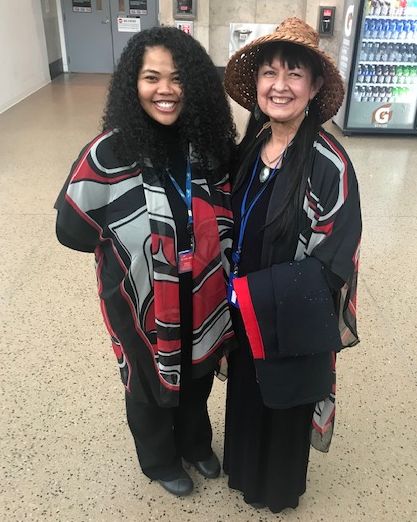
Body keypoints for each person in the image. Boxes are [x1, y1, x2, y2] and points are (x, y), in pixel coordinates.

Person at [54, 26, 236, 497]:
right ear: (132, 84)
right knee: (147, 383)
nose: (166, 91)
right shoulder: (108, 152)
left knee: (198, 374)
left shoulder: (211, 147)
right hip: (140, 302)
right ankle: (158, 460)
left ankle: (196, 443)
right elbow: (71, 230)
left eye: (178, 79)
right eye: (151, 77)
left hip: (204, 290)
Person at [222, 18, 362, 513]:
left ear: (315, 85)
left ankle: (276, 487)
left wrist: (260, 294)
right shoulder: (250, 148)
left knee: (282, 396)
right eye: (269, 73)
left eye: (294, 74)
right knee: (246, 388)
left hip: (288, 313)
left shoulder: (331, 165)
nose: (279, 86)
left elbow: (335, 258)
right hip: (243, 307)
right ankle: (241, 468)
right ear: (256, 82)